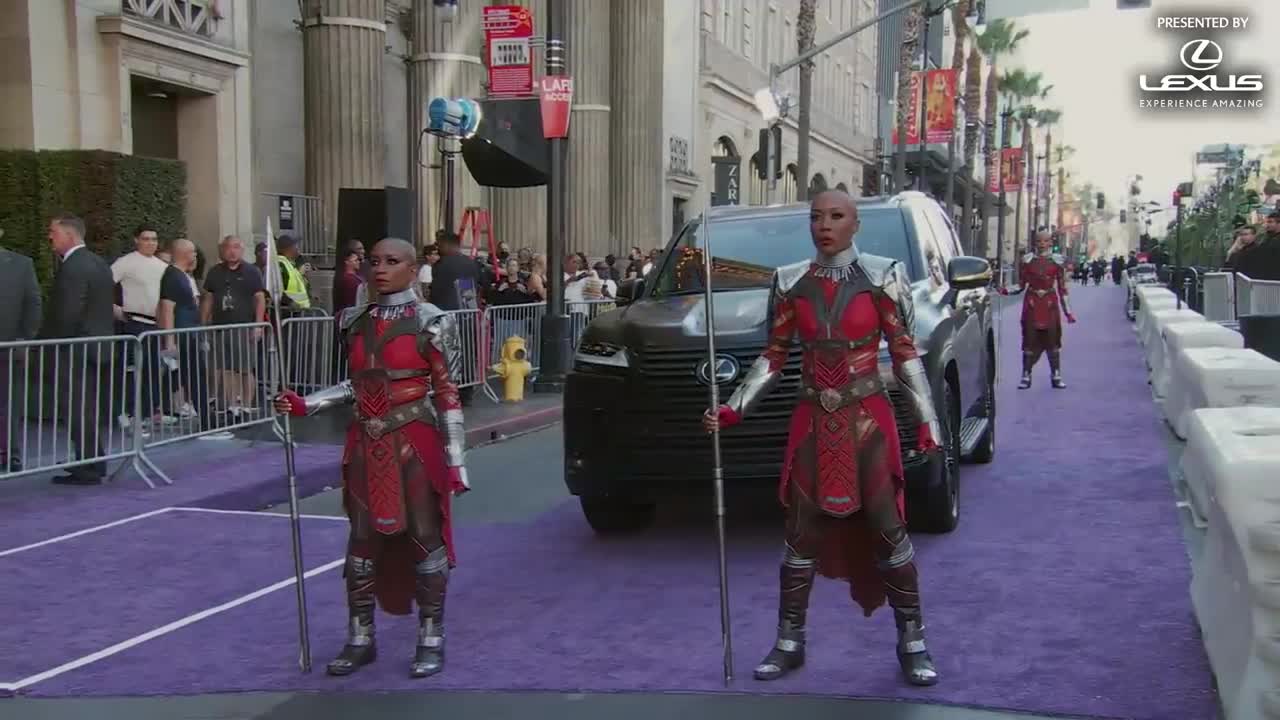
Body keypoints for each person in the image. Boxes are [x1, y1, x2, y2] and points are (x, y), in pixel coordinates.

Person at [702, 190, 941, 687]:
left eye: (835, 217)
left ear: (855, 225)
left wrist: (929, 422)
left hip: (869, 417)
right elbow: (773, 355)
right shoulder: (789, 281)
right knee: (800, 529)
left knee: (887, 525)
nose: (824, 225)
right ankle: (789, 641)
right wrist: (733, 408)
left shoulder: (882, 275)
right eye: (816, 217)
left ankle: (912, 640)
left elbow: (904, 353)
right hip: (812, 418)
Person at [273, 238, 471, 679]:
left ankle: (431, 636)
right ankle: (361, 637)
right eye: (374, 261)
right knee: (361, 544)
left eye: (391, 261)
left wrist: (456, 457)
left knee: (424, 536)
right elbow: (354, 386)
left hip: (416, 439)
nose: (379, 269)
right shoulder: (353, 320)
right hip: (366, 442)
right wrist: (305, 404)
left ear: (412, 268)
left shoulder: (432, 321)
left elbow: (447, 393)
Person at [44, 214, 115, 485]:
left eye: (53, 231)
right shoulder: (98, 263)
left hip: (75, 350)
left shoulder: (73, 266)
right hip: (97, 348)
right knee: (86, 408)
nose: (50, 236)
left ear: (70, 235)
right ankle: (92, 462)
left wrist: (43, 343)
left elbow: (66, 313)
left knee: (76, 408)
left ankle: (89, 466)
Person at [1000, 230, 1076, 389]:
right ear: (1035, 242)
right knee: (1029, 339)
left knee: (1053, 339)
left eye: (1045, 241)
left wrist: (1068, 312)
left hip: (1050, 303)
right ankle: (1026, 375)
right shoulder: (1027, 261)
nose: (1042, 244)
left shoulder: (1057, 262)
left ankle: (1056, 375)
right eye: (1039, 241)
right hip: (1032, 303)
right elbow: (1021, 285)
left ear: (1051, 242)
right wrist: (1006, 290)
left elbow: (1063, 289)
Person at [0, 229, 42, 472]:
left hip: (8, 347)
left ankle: (9, 455)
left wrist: (25, 339)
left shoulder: (21, 264)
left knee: (8, 403)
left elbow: (33, 303)